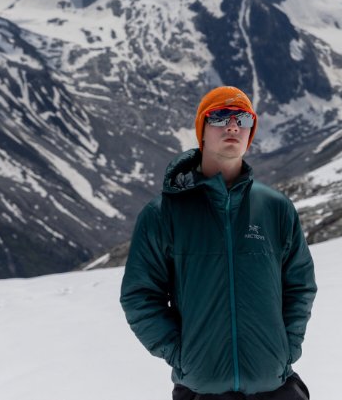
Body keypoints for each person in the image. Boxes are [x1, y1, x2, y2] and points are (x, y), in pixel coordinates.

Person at [120, 86, 317, 399]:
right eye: (220, 116)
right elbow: (139, 295)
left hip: (276, 386)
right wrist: (180, 356)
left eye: (244, 119)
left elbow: (300, 285)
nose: (233, 126)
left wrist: (287, 348)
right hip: (202, 389)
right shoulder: (164, 214)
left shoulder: (276, 208)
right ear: (201, 129)